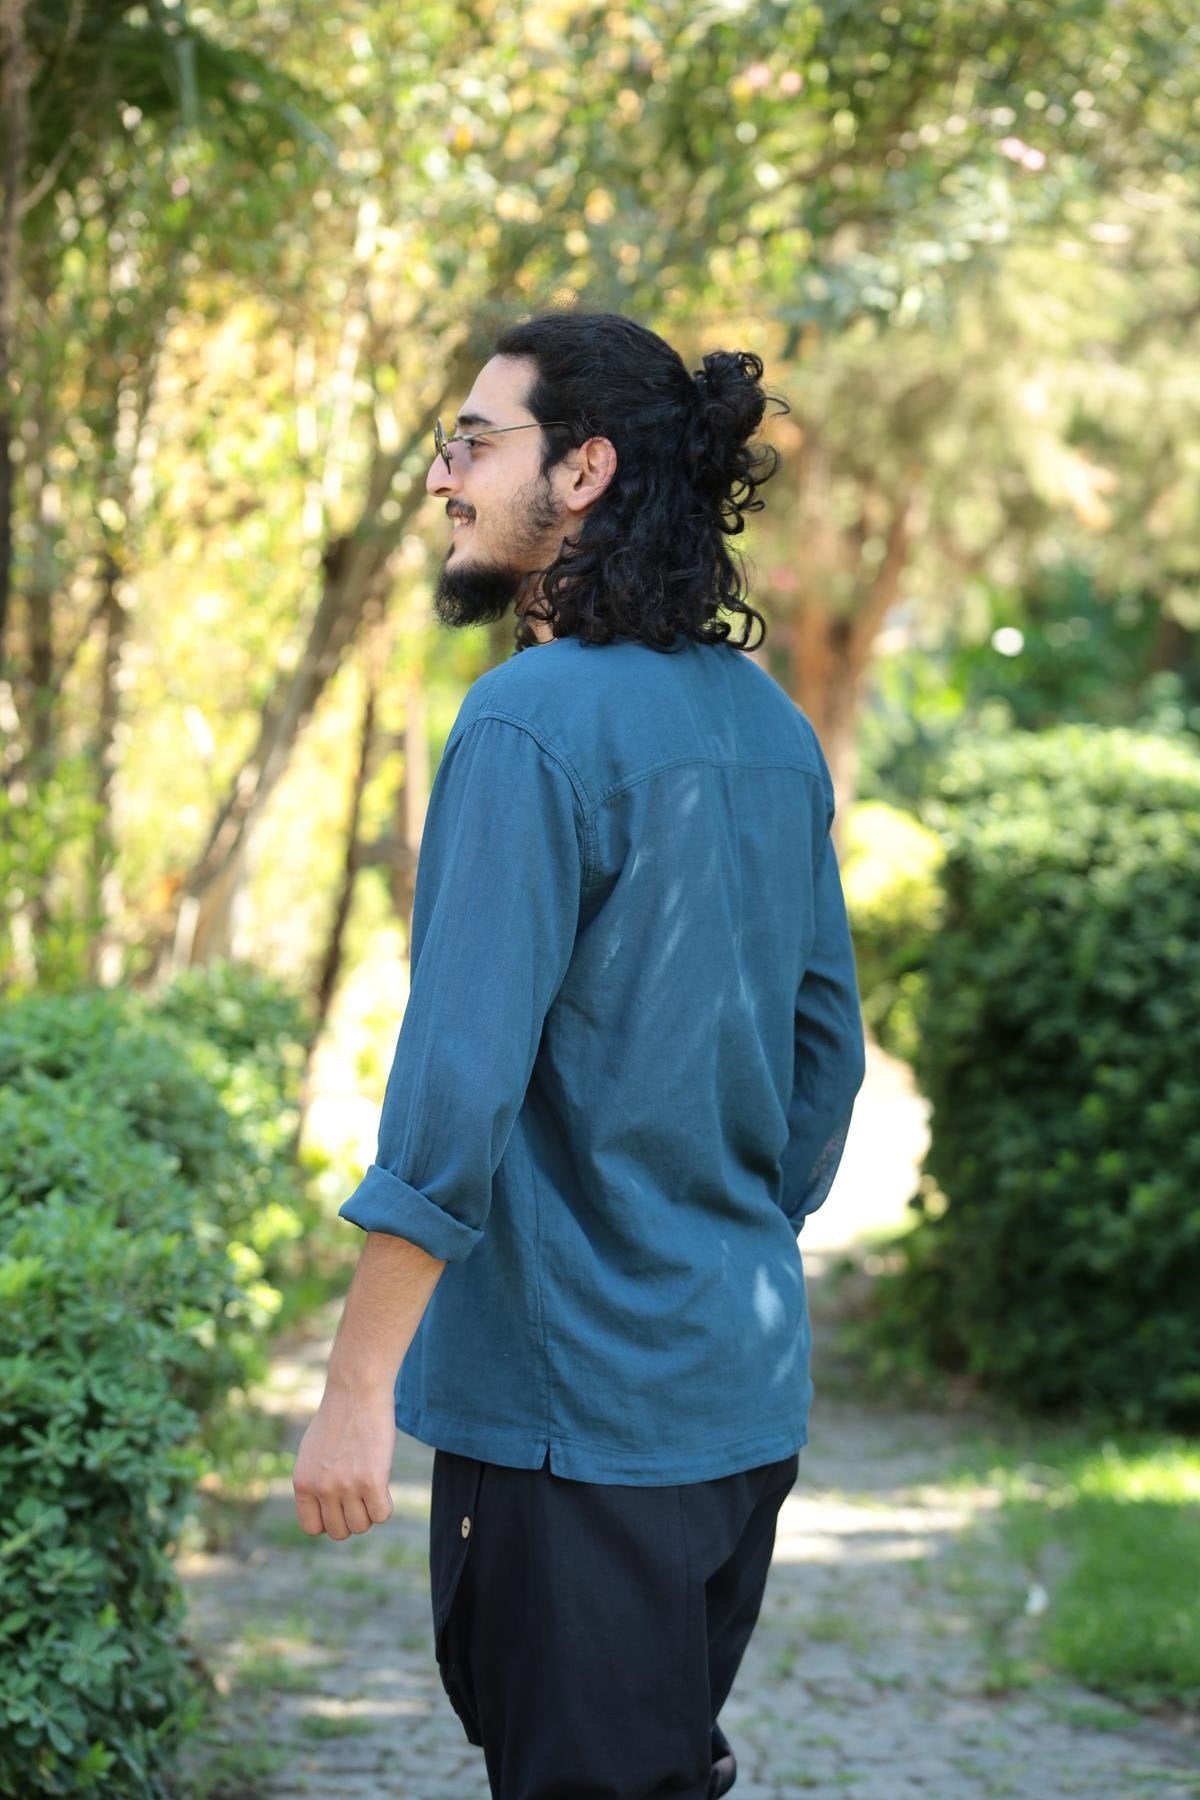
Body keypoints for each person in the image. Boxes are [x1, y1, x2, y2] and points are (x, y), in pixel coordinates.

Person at [292, 309, 867, 1799]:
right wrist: (707, 1246)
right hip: (737, 1402)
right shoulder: (769, 729)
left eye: (474, 444)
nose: (443, 477)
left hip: (573, 1432)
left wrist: (354, 1391)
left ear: (584, 470)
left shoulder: (527, 722)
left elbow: (456, 1091)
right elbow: (825, 1065)